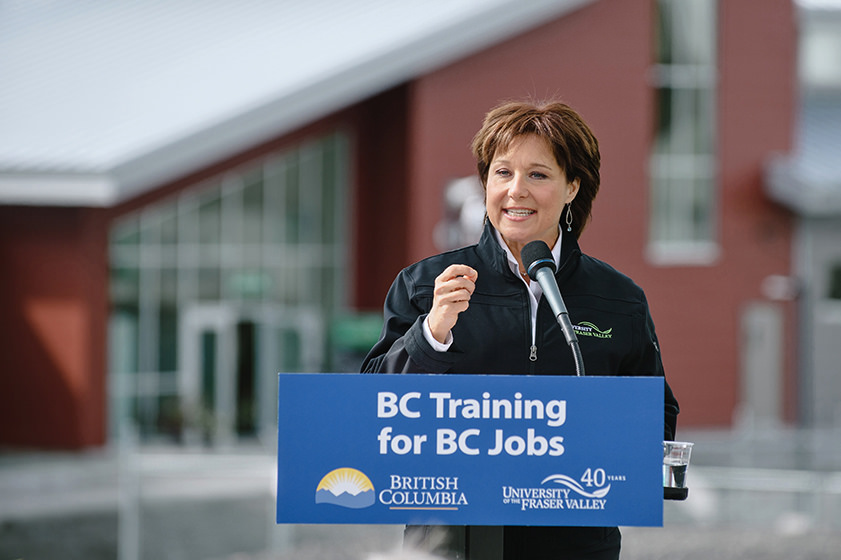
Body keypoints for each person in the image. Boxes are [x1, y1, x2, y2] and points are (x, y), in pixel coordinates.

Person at [361, 99, 680, 560]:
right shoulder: (427, 284)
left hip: (576, 541)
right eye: (502, 173)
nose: (516, 191)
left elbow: (657, 414)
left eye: (538, 175)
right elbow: (370, 405)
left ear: (572, 186)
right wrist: (430, 334)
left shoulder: (619, 298)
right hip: (453, 540)